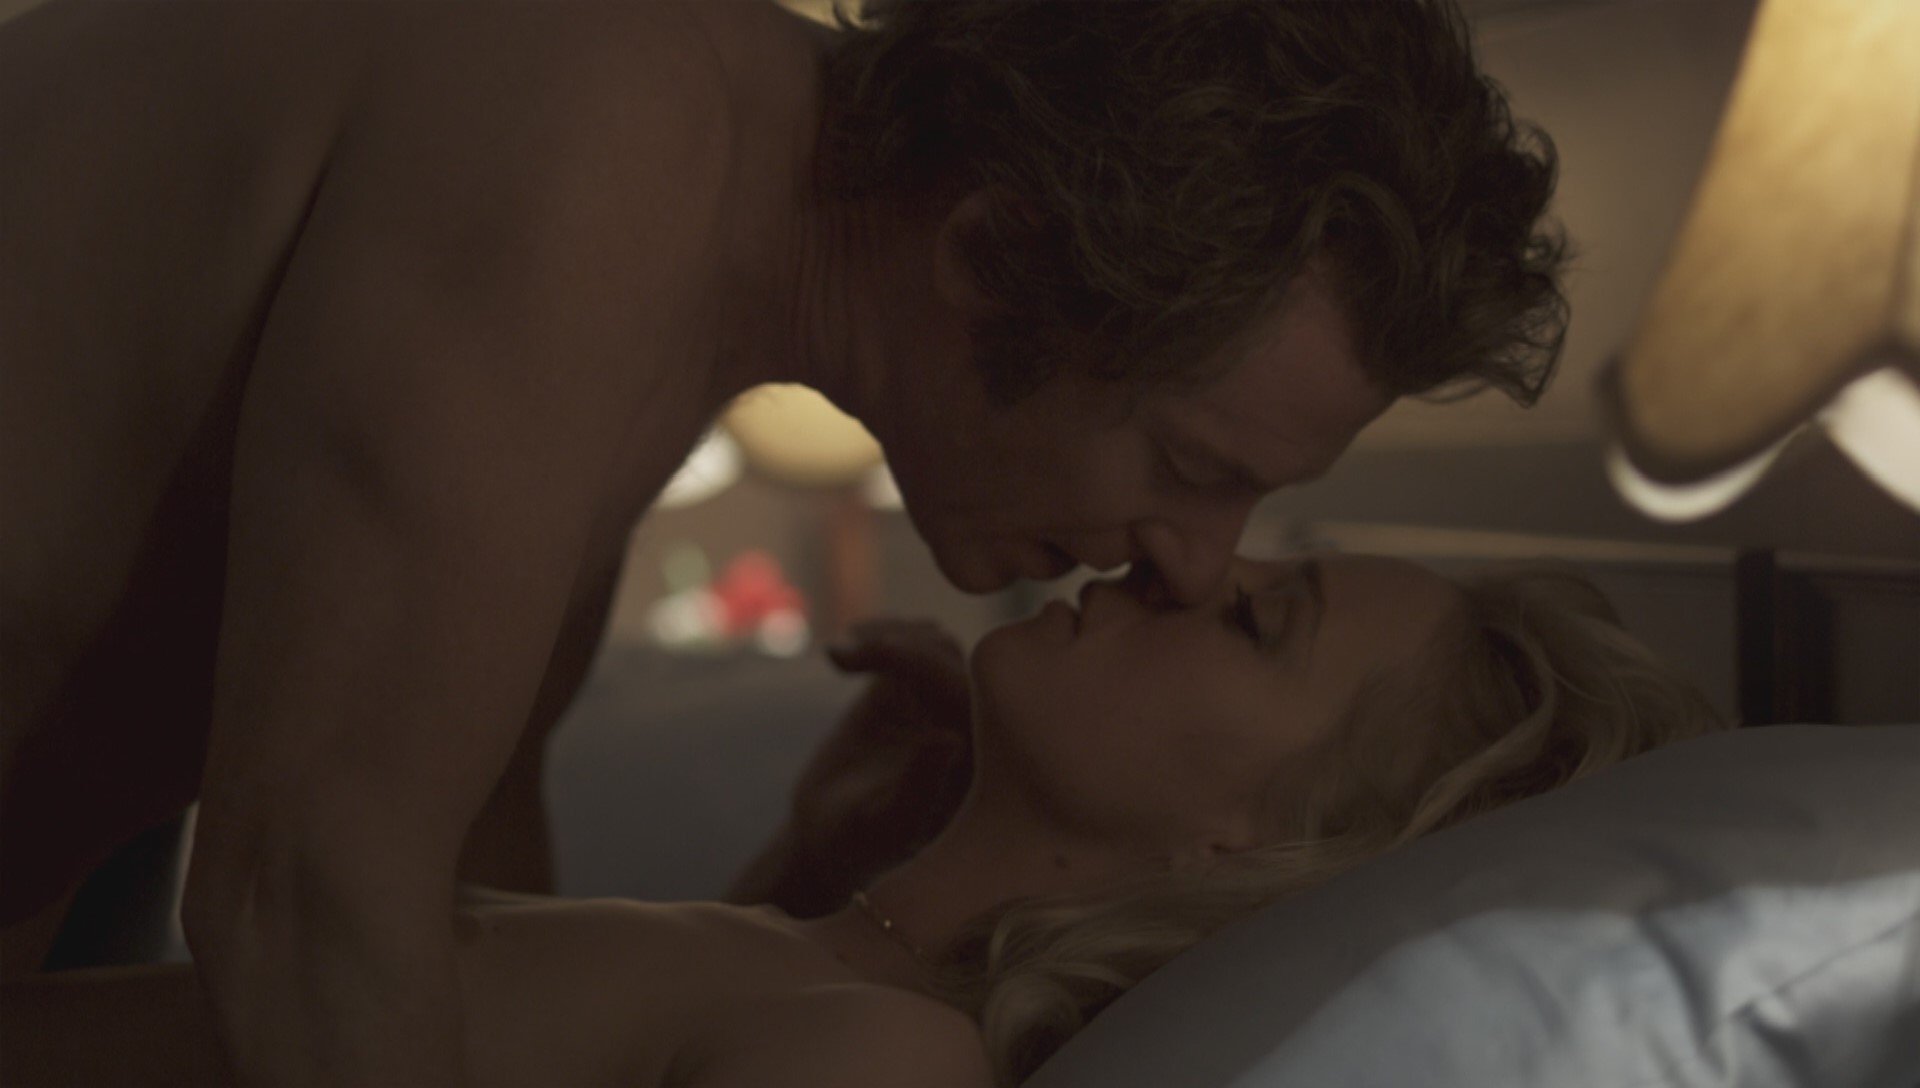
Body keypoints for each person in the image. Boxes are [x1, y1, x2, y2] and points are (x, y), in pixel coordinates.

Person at [0, 0, 1570, 1082]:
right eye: (1188, 465)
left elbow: (469, 936)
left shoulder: (659, 252)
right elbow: (308, 903)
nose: (1197, 559)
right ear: (995, 258)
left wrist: (829, 903)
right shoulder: (601, 135)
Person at [0, 555, 1729, 1087]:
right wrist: (810, 856)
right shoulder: (835, 970)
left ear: (1251, 840)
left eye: (1258, 617)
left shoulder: (887, 1062)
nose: (1181, 561)